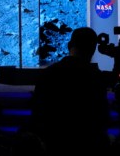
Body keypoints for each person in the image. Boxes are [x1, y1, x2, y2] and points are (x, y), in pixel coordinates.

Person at [30, 26, 111, 156]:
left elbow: (38, 112)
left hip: (54, 144)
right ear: (93, 49)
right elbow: (101, 115)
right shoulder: (95, 77)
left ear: (69, 46)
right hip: (87, 145)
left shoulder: (49, 74)